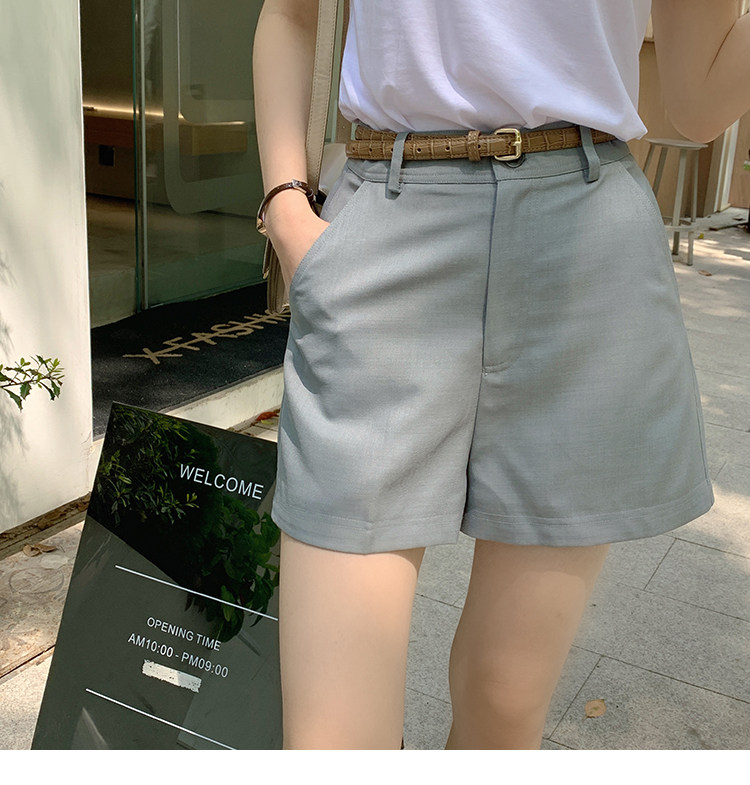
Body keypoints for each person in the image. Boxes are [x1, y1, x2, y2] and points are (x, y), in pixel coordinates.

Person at [252, 0, 750, 749]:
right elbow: (290, 14)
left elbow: (699, 100)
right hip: (388, 215)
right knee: (333, 736)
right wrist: (286, 208)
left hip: (584, 244)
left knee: (505, 697)